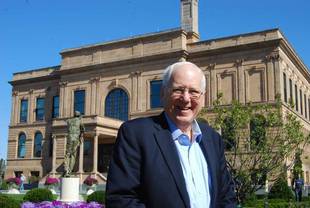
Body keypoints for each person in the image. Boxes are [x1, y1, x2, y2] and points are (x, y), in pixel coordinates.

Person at [106, 61, 237, 208]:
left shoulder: (213, 138)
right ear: (163, 93)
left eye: (193, 91)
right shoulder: (136, 134)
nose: (186, 98)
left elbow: (226, 196)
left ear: (203, 98)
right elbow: (121, 200)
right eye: (178, 90)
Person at [63, 111, 85, 177]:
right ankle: (69, 171)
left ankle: (66, 169)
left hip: (69, 138)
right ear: (79, 116)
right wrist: (81, 136)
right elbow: (83, 129)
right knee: (73, 155)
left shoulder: (69, 121)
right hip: (75, 138)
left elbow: (68, 122)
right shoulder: (79, 121)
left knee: (67, 154)